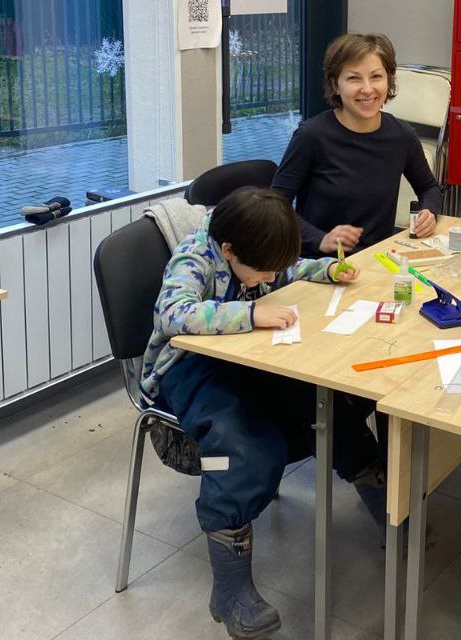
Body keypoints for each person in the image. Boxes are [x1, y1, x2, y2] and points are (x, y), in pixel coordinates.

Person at [142, 187, 386, 640]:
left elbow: (289, 267)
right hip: (188, 368)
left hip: (247, 359)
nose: (272, 278)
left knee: (324, 403)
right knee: (242, 446)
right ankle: (230, 590)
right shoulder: (194, 256)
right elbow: (172, 314)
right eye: (264, 271)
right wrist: (252, 312)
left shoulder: (255, 253)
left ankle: (387, 506)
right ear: (228, 250)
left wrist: (328, 269)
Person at [273, 32, 442, 259]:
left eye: (376, 77)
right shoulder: (311, 136)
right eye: (354, 78)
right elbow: (276, 206)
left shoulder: (402, 136)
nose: (367, 89)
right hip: (319, 264)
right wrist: (321, 239)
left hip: (377, 259)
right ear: (335, 84)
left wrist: (429, 212)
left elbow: (430, 188)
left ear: (389, 80)